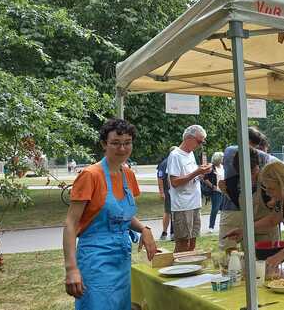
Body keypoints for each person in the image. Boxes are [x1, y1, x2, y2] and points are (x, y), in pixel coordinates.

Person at [62, 118, 157, 308]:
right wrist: (71, 269)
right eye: (115, 143)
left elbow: (122, 215)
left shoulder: (128, 174)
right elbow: (70, 224)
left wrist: (143, 229)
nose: (122, 149)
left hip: (121, 257)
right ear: (104, 144)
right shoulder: (90, 175)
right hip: (95, 258)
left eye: (127, 143)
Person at [219, 139, 280, 251]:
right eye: (245, 174)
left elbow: (275, 217)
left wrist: (274, 201)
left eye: (253, 172)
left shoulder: (268, 181)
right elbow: (238, 203)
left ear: (258, 165)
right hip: (248, 236)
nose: (251, 177)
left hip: (267, 236)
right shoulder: (233, 184)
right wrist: (226, 191)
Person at [167, 125, 212, 252]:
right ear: (188, 138)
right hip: (183, 206)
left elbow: (191, 177)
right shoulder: (175, 155)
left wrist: (201, 174)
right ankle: (179, 270)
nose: (201, 145)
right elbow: (174, 182)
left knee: (192, 242)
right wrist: (197, 172)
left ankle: (190, 268)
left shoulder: (190, 154)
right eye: (199, 141)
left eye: (202, 142)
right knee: (183, 244)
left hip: (194, 204)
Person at [156, 146, 177, 241]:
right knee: (168, 211)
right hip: (168, 191)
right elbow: (160, 177)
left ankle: (173, 233)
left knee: (175, 212)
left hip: (175, 191)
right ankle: (164, 233)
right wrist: (161, 192)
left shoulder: (175, 162)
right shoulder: (165, 163)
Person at [205, 152, 225, 234]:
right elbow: (205, 179)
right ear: (219, 159)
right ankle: (211, 226)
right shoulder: (211, 168)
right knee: (215, 209)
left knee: (224, 209)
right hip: (216, 192)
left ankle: (223, 225)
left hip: (224, 191)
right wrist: (213, 187)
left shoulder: (223, 167)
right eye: (222, 158)